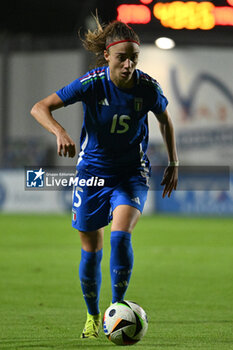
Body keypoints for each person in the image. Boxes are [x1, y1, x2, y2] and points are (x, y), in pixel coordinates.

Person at [30, 16, 178, 339]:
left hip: (131, 173)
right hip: (92, 174)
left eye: (134, 58)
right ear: (107, 57)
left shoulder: (147, 87)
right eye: (122, 58)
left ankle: (117, 310)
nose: (128, 65)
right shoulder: (91, 83)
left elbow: (165, 120)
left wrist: (173, 161)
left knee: (120, 236)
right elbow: (40, 107)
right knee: (91, 250)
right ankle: (93, 315)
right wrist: (59, 131)